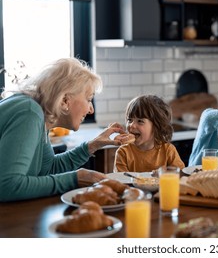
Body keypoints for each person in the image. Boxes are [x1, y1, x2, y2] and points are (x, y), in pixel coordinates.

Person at [0, 58, 129, 202]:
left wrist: (93, 145)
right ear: (65, 100)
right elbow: (7, 186)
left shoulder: (38, 115)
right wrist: (75, 179)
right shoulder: (29, 113)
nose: (91, 109)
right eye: (88, 99)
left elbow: (48, 169)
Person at [113, 94, 185, 172]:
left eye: (140, 121)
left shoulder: (168, 150)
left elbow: (179, 175)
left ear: (156, 126)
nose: (132, 125)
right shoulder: (123, 152)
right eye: (129, 120)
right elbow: (121, 182)